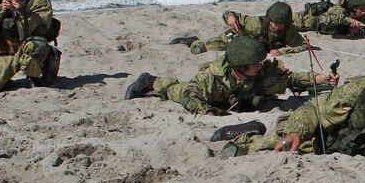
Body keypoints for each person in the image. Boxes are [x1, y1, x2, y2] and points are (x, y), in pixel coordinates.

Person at [223, 42, 365, 160]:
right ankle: (248, 132)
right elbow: (314, 109)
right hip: (329, 140)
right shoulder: (362, 90)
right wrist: (295, 132)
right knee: (275, 144)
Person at [123, 35, 337, 115]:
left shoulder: (259, 73)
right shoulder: (210, 78)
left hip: (239, 100)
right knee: (175, 90)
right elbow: (190, 96)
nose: (259, 66)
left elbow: (291, 80)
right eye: (254, 64)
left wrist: (322, 78)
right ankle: (149, 81)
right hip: (215, 98)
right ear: (239, 66)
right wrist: (207, 112)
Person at [178, 1, 308, 56]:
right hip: (236, 38)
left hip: (254, 49)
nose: (276, 26)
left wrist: (283, 51)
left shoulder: (289, 31)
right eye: (273, 22)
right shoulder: (256, 23)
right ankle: (193, 41)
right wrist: (230, 18)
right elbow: (230, 14)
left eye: (280, 23)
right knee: (199, 50)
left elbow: (304, 45)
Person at [293, 0, 365, 37]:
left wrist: (356, 31)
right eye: (362, 9)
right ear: (354, 8)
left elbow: (364, 28)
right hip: (304, 20)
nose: (364, 12)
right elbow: (328, 19)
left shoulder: (362, 15)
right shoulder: (339, 10)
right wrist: (349, 20)